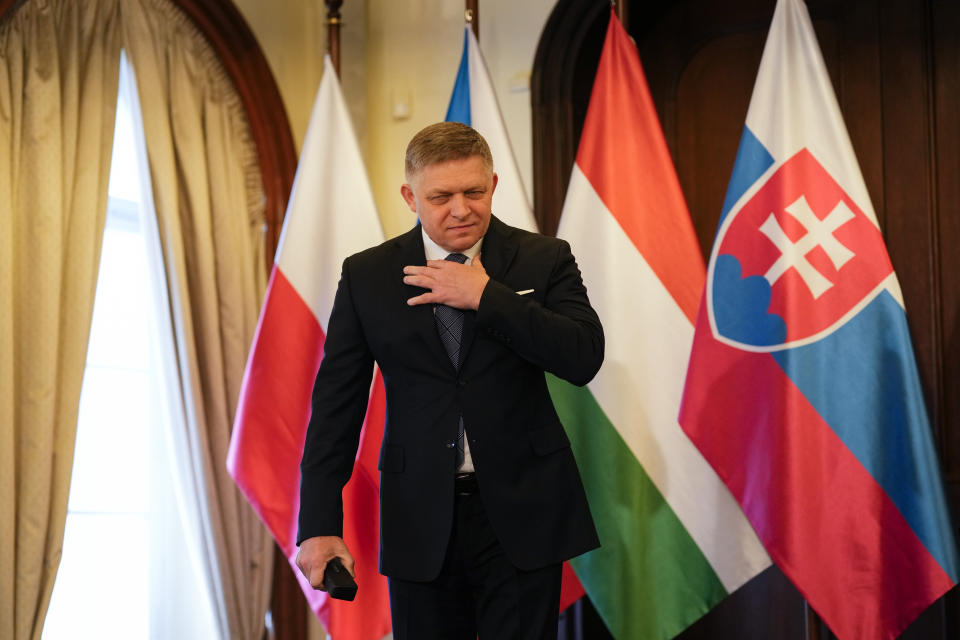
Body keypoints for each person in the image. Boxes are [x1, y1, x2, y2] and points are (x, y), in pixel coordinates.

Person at [295, 122, 603, 639]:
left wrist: (488, 296)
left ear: (493, 185)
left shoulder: (544, 257)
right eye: (441, 196)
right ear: (410, 196)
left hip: (523, 509)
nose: (461, 209)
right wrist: (320, 523)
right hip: (419, 513)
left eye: (474, 192)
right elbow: (336, 405)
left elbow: (582, 358)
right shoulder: (368, 274)